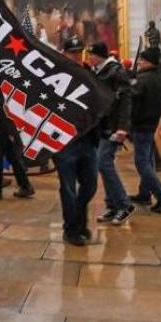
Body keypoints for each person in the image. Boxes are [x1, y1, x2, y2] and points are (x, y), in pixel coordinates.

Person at [55, 36, 100, 246]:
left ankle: (80, 219)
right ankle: (71, 228)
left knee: (90, 185)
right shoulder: (54, 75)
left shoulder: (89, 73)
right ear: (64, 53)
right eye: (72, 52)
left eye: (78, 52)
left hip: (88, 138)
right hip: (64, 140)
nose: (75, 55)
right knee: (68, 188)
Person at [85, 41, 135, 225]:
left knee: (103, 162)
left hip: (113, 126)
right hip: (102, 126)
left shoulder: (116, 71)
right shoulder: (99, 71)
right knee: (103, 164)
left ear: (99, 55)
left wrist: (123, 127)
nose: (89, 57)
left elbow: (125, 100)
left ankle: (124, 204)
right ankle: (112, 205)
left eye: (91, 54)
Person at [129, 48, 161, 212]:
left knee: (142, 162)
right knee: (148, 160)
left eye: (141, 60)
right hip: (156, 124)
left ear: (149, 62)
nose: (139, 62)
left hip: (142, 125)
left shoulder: (141, 79)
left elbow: (132, 101)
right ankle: (144, 194)